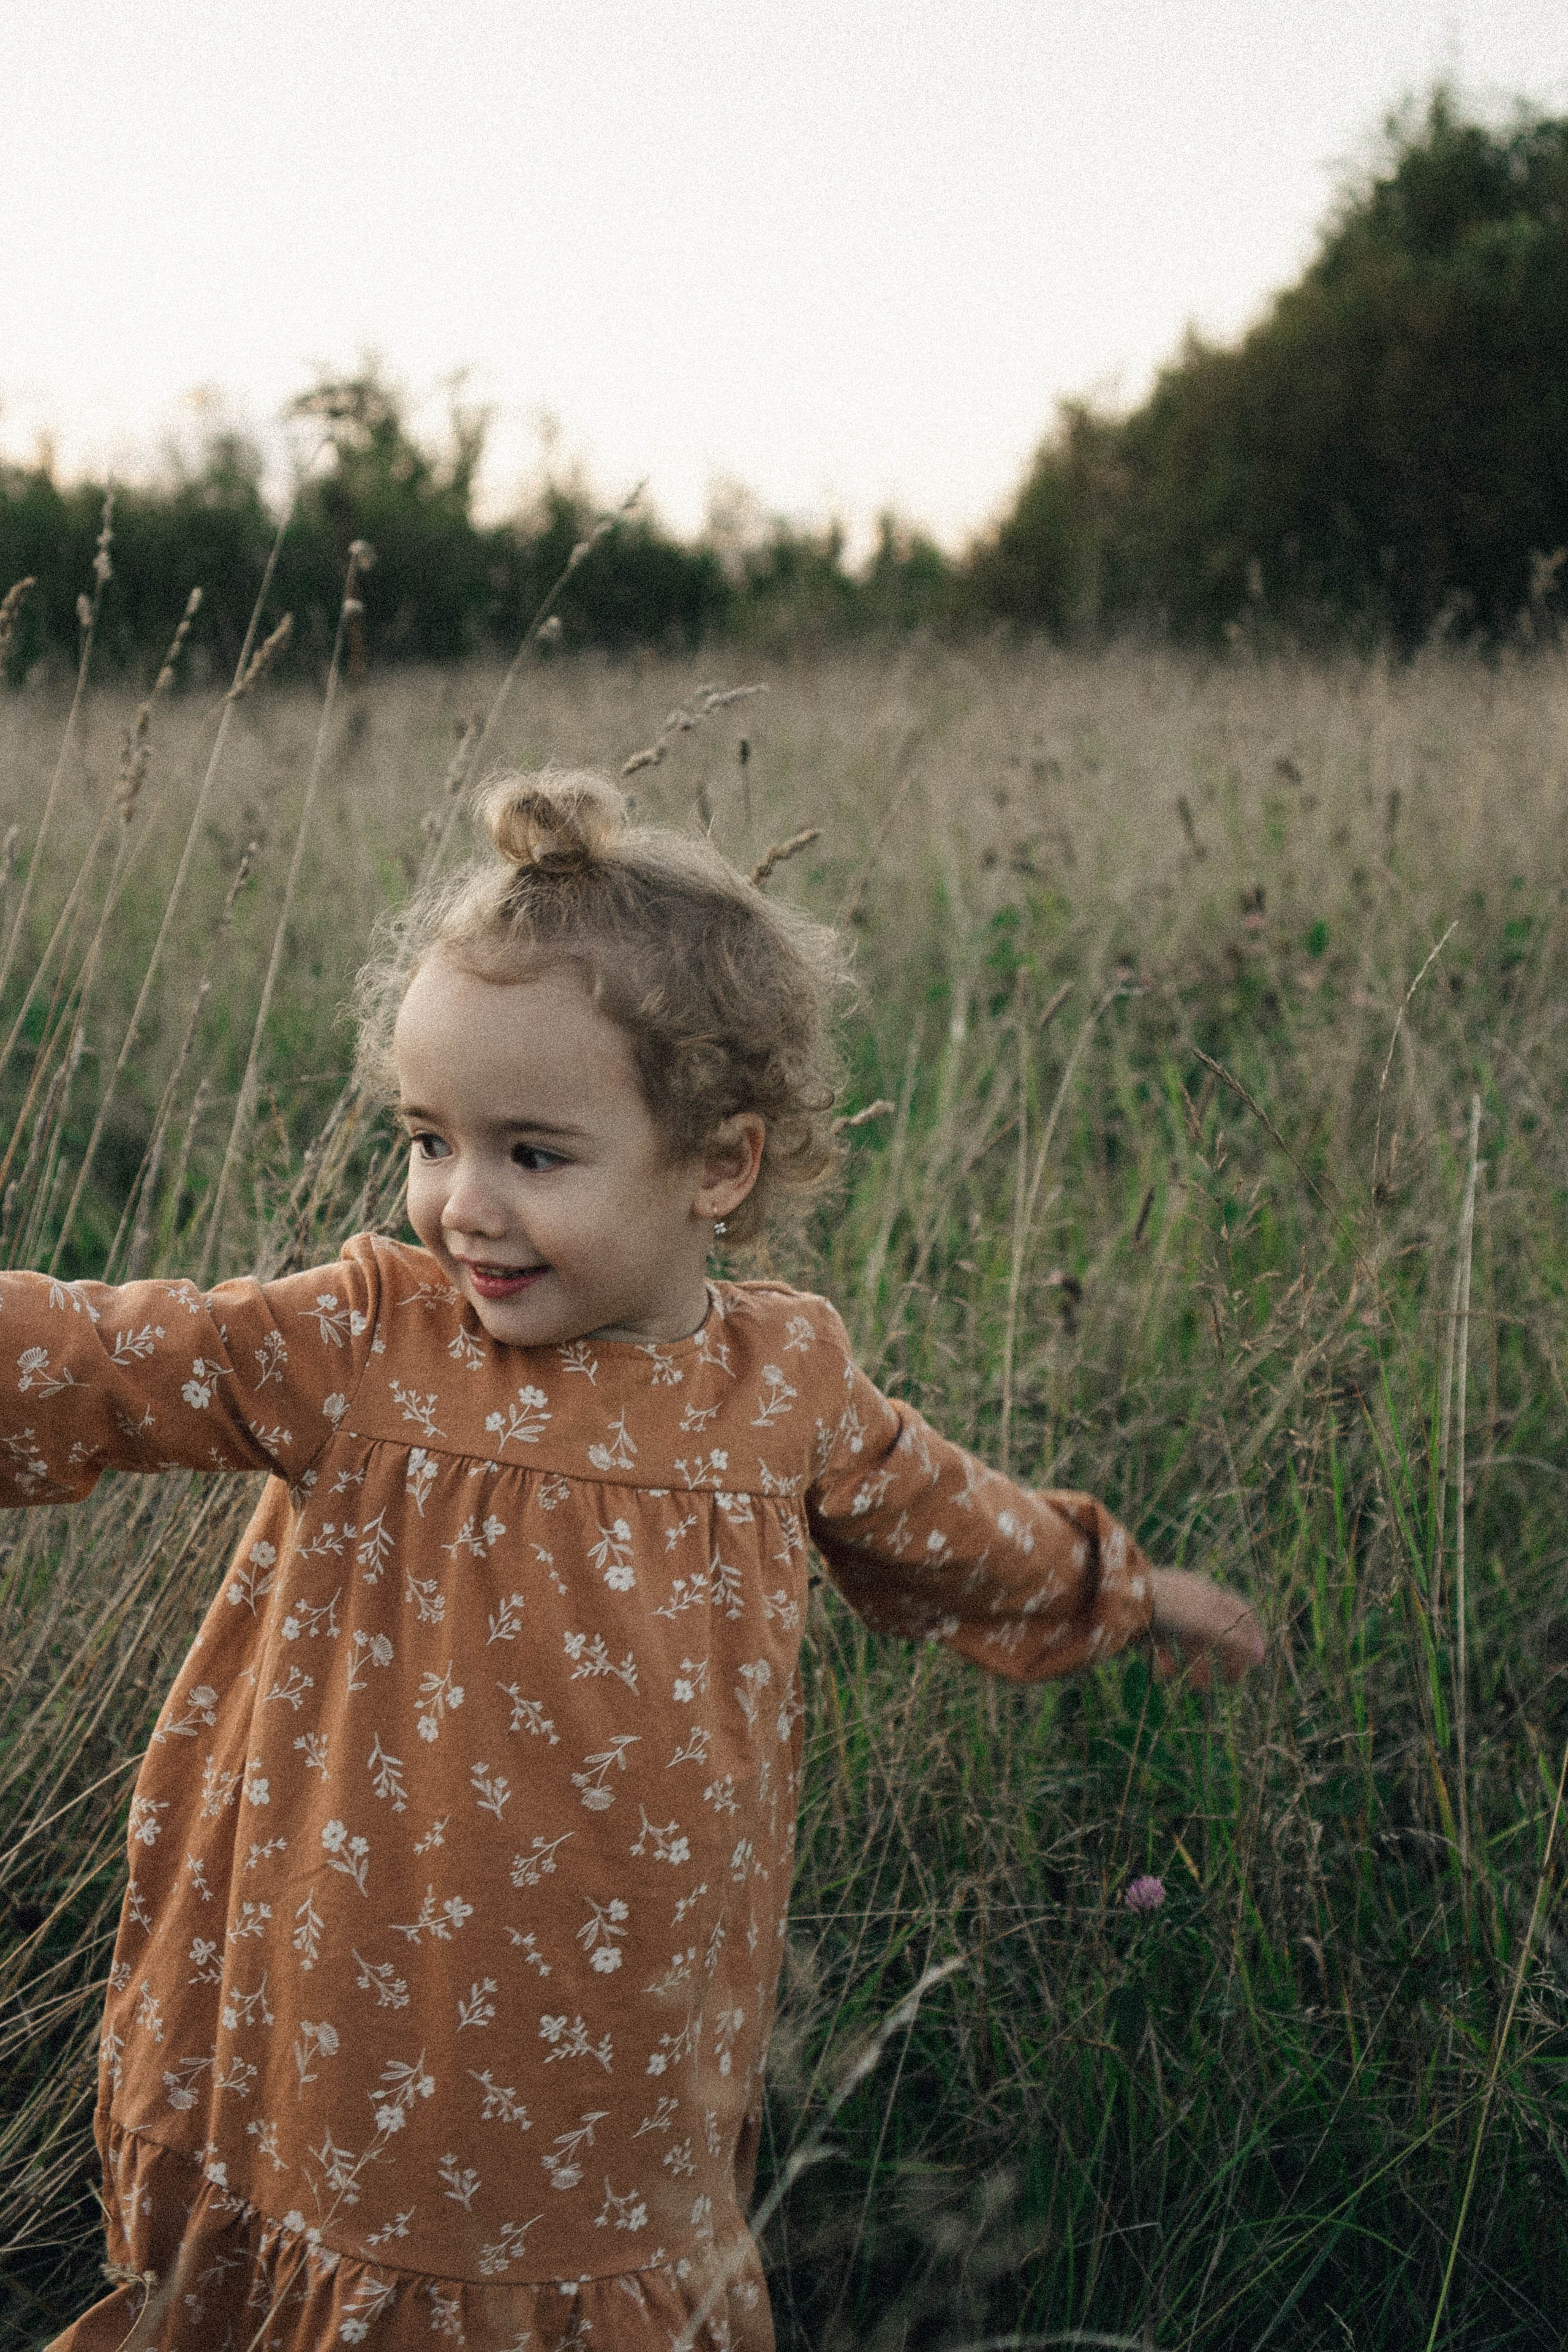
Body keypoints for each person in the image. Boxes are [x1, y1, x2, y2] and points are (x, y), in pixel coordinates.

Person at [6, 771, 1262, 2352]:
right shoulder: (367, 1342)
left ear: (717, 1167)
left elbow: (947, 1521)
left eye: (533, 1154)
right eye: (428, 1139)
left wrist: (1118, 1590)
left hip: (622, 2044)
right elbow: (103, 1358)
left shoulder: (783, 1386)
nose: (462, 1205)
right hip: (363, 2015)